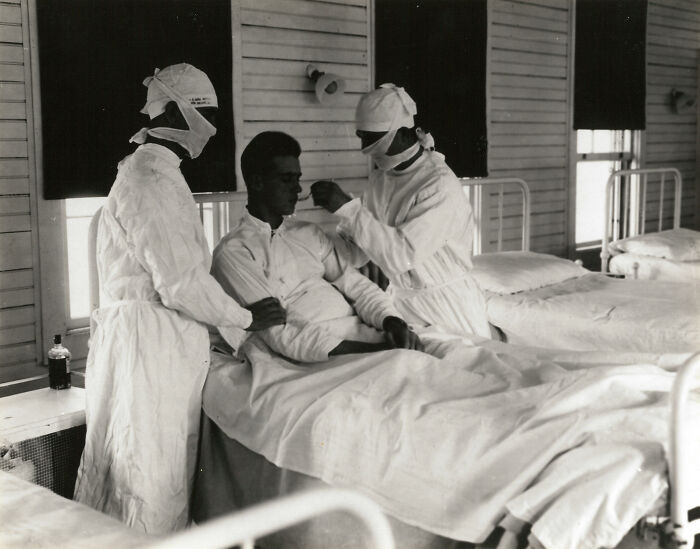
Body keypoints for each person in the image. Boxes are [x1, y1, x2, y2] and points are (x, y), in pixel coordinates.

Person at [73, 64, 286, 534]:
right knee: (147, 477)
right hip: (150, 347)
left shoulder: (162, 176)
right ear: (172, 112)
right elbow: (181, 283)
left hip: (157, 343)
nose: (209, 130)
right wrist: (244, 319)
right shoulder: (149, 178)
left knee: (146, 473)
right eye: (201, 115)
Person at [211, 131, 421, 363]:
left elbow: (358, 287)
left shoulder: (308, 232)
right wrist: (376, 352)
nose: (298, 189)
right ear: (258, 182)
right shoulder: (234, 251)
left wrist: (393, 321)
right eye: (286, 179)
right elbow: (282, 332)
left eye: (297, 179)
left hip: (362, 335)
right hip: (315, 355)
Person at [310, 84, 492, 339]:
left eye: (375, 141)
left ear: (405, 134)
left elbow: (400, 255)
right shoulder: (381, 179)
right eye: (363, 138)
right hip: (401, 303)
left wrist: (349, 209)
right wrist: (315, 247)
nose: (369, 149)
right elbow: (365, 246)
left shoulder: (437, 184)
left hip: (446, 305)